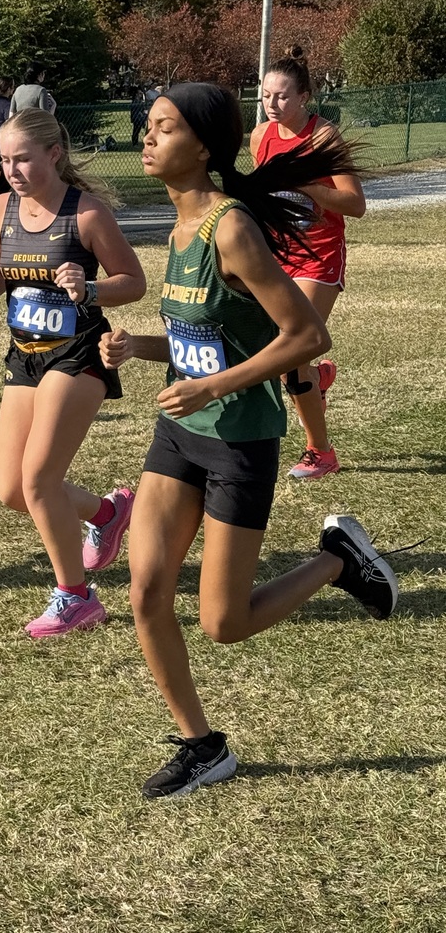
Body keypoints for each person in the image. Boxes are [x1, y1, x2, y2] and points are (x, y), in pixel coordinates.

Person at [98, 82, 398, 798]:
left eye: (164, 128)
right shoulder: (177, 227)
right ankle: (202, 747)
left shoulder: (229, 227)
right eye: (148, 126)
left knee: (224, 623)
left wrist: (213, 388)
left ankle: (338, 559)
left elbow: (307, 336)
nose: (147, 138)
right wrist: (142, 347)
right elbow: (204, 338)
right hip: (179, 434)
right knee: (146, 592)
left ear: (203, 146)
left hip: (239, 441)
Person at [0, 108, 146, 637]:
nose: (11, 170)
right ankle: (106, 514)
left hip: (78, 352)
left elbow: (133, 281)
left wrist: (90, 288)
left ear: (54, 154)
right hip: (25, 354)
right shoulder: (1, 208)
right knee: (13, 491)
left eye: (22, 159)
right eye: (4, 160)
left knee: (39, 480)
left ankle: (76, 597)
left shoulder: (86, 213)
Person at [251, 46, 366, 480]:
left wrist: (308, 187)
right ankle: (315, 380)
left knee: (293, 348)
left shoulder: (323, 138)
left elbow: (355, 204)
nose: (272, 104)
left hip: (319, 255)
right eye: (266, 95)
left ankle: (321, 452)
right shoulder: (260, 137)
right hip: (278, 253)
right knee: (279, 353)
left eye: (282, 96)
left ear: (304, 98)